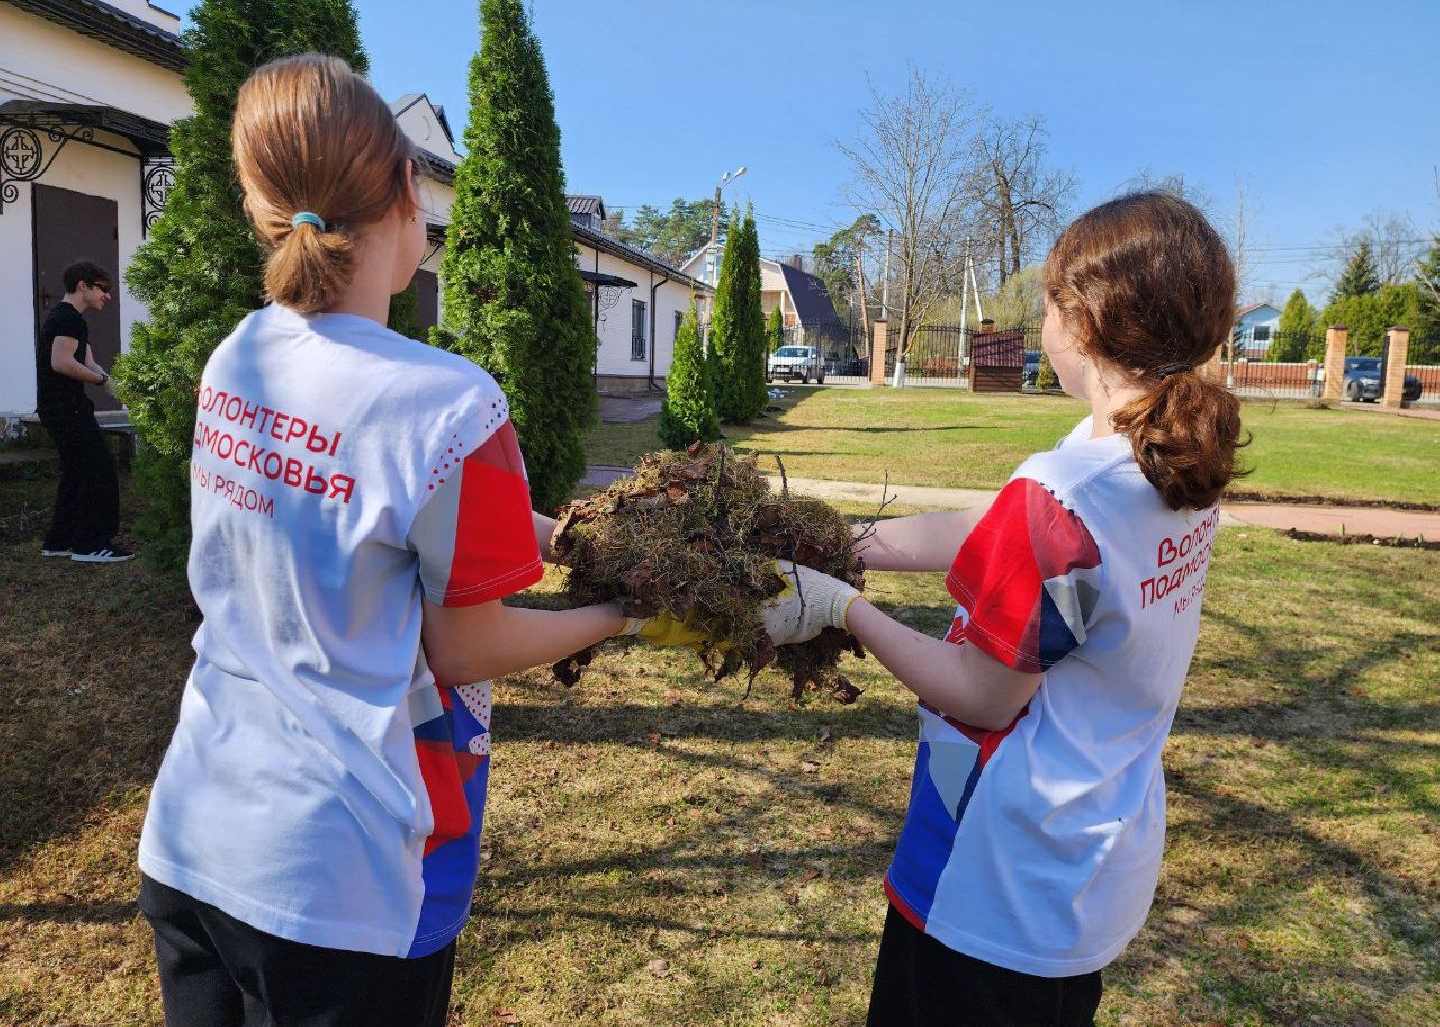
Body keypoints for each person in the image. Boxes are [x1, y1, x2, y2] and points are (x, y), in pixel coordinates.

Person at [136, 54, 693, 1027]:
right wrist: (628, 611)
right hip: (336, 884)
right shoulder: (447, 404)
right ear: (406, 192)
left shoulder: (240, 357)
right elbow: (469, 646)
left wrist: (573, 542)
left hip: (192, 839)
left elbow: (364, 501)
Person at [764, 192, 1245, 1026]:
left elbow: (981, 694)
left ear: (1082, 321)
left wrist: (843, 609)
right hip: (1085, 869)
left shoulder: (1067, 495)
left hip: (990, 880)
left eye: (1051, 302)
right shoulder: (1159, 462)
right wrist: (847, 543)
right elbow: (1005, 539)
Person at [35, 260, 132, 563]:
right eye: (103, 289)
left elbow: (88, 363)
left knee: (76, 474)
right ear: (83, 286)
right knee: (98, 472)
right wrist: (101, 380)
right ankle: (91, 545)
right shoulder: (67, 319)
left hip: (64, 409)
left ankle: (59, 541)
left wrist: (117, 387)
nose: (108, 296)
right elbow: (61, 362)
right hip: (66, 410)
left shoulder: (71, 318)